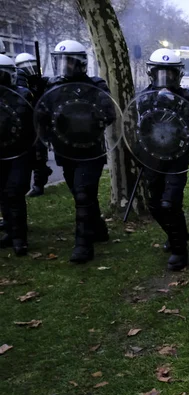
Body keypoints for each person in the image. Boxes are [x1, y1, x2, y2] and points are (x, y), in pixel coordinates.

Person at [36, 40, 116, 264]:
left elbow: (109, 113)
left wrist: (84, 116)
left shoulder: (96, 85)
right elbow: (42, 113)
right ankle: (99, 230)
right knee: (83, 194)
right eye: (61, 61)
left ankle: (83, 245)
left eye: (69, 62)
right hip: (65, 152)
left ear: (80, 63)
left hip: (90, 151)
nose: (65, 66)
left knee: (82, 194)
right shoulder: (53, 87)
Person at [135, 48, 189, 271]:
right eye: (161, 73)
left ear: (178, 74)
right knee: (154, 205)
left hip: (177, 159)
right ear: (152, 73)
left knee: (170, 202)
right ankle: (177, 234)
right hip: (153, 158)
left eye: (170, 73)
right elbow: (140, 129)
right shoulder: (143, 97)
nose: (165, 78)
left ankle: (179, 249)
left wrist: (174, 104)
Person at [0, 54, 35, 256]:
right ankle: (11, 233)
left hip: (20, 152)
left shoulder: (23, 95)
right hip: (2, 152)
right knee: (3, 193)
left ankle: (20, 239)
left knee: (14, 192)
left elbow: (31, 122)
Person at [15, 53, 52, 197]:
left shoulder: (42, 82)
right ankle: (40, 173)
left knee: (39, 154)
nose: (30, 69)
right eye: (25, 67)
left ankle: (39, 183)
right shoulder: (19, 84)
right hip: (26, 123)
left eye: (31, 65)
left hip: (40, 123)